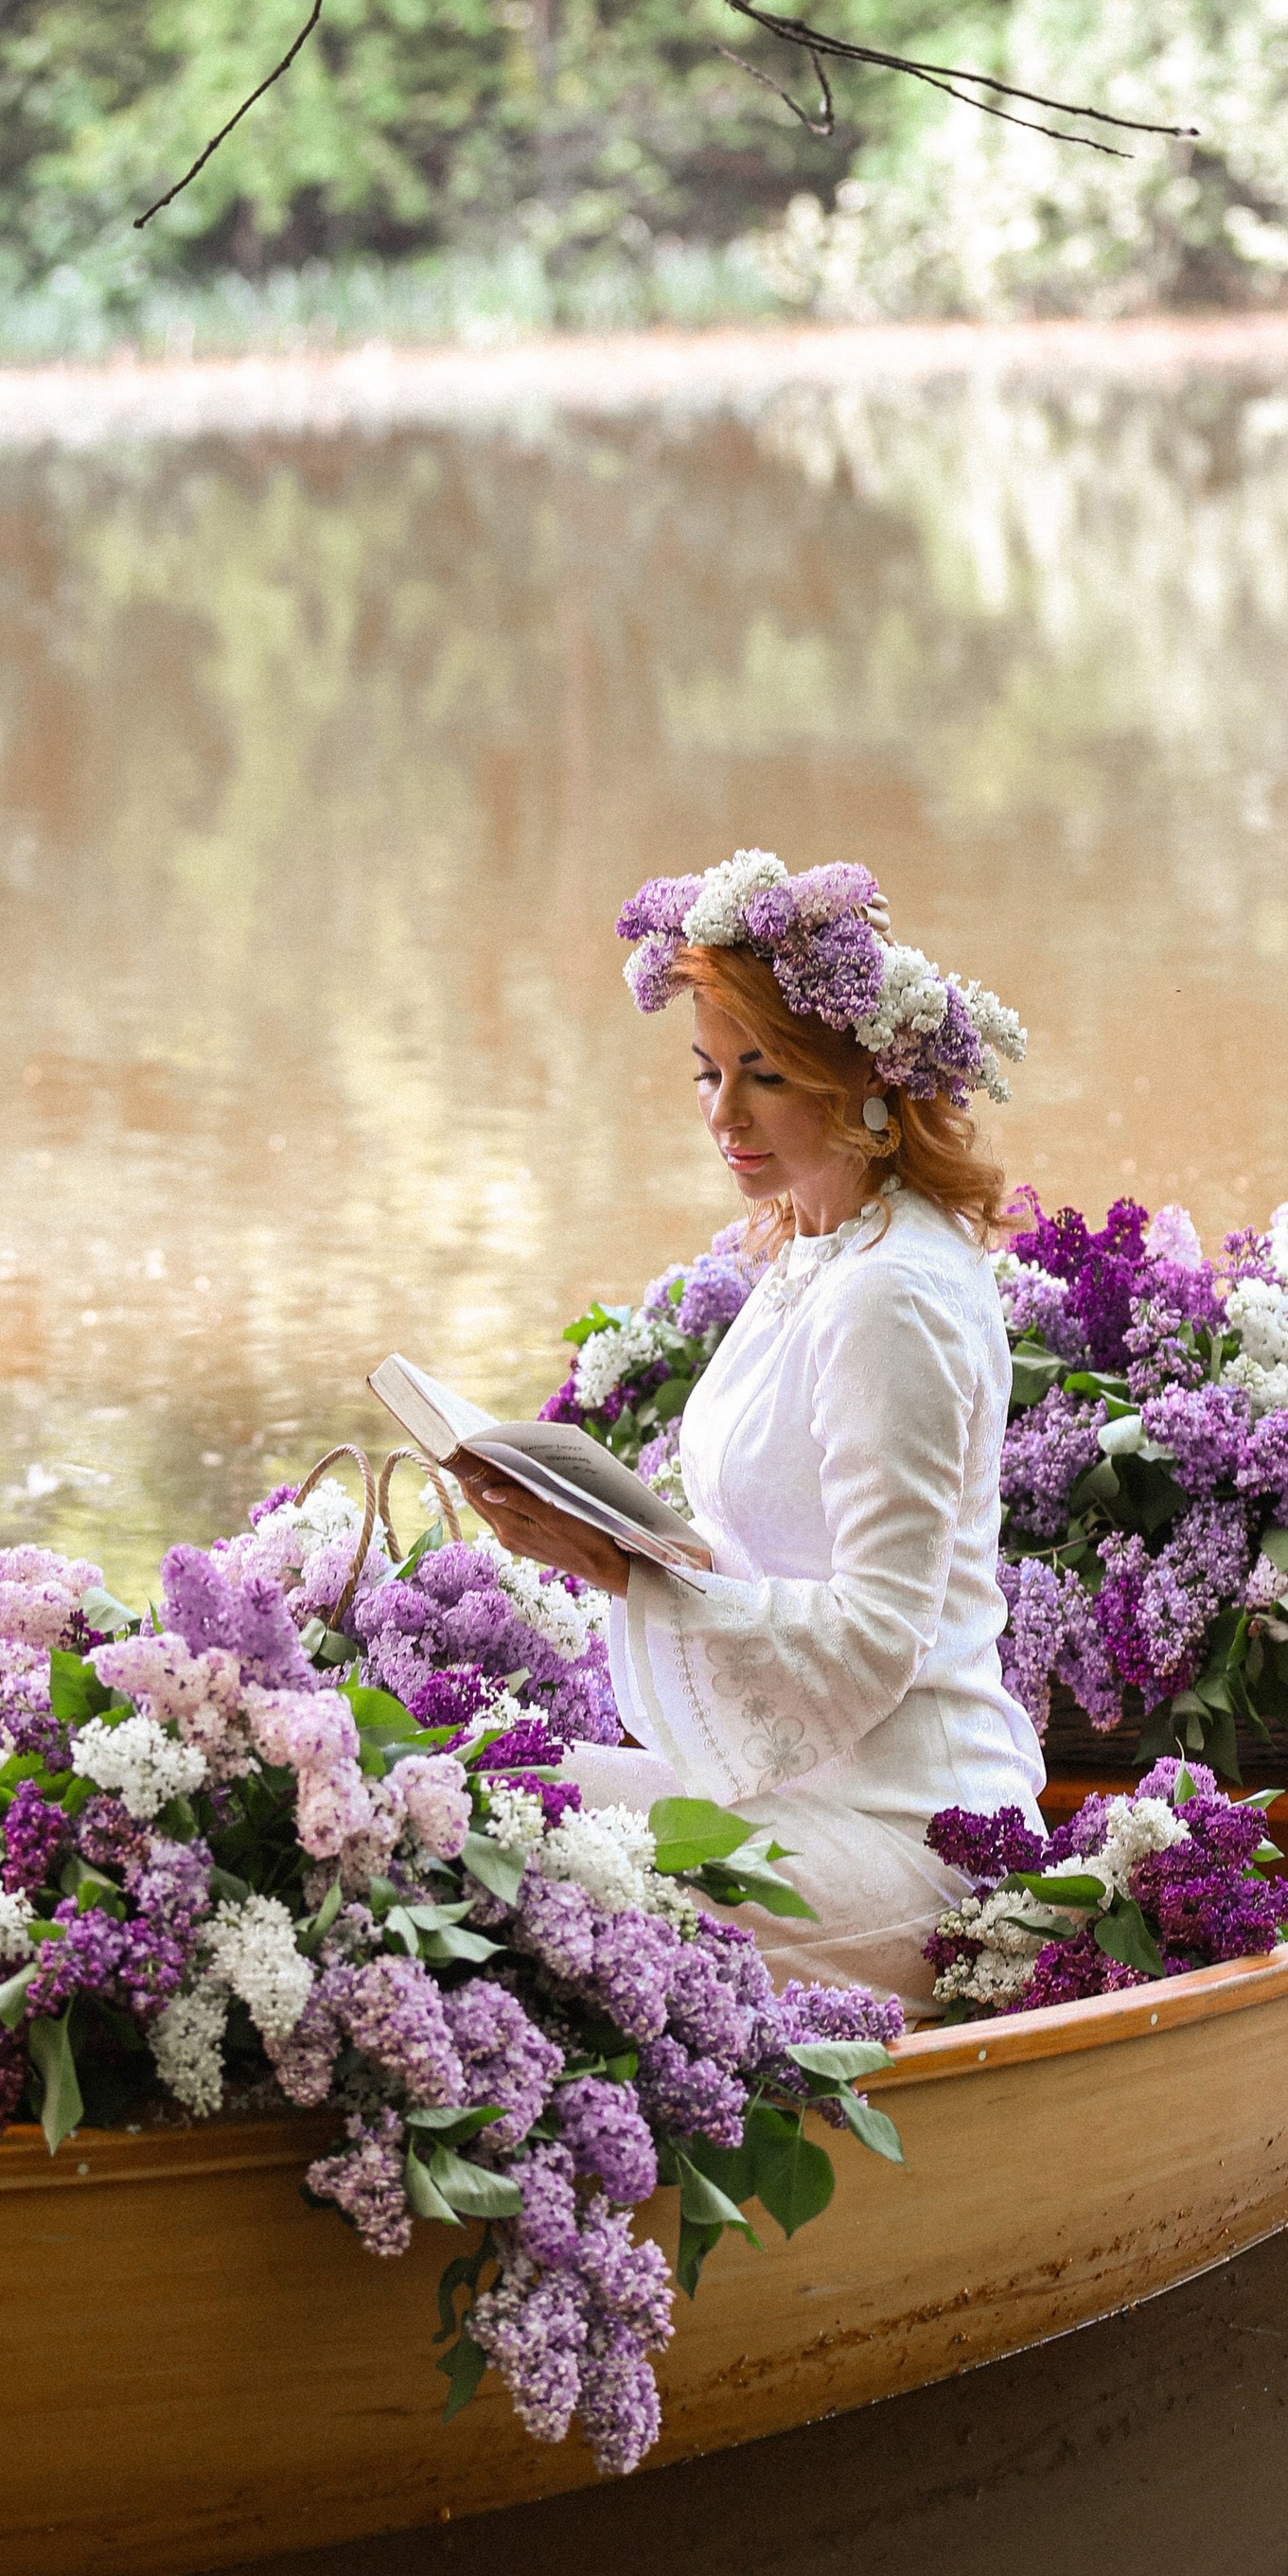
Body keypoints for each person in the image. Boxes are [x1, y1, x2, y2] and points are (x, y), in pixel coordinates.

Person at [454, 851, 1045, 2014]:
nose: (722, 1114)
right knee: (486, 1787)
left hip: (911, 1835)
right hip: (798, 1791)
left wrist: (628, 1570)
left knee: (511, 1853)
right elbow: (783, 1563)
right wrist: (605, 1545)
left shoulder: (894, 1294)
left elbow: (881, 1631)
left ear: (861, 1080)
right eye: (707, 1073)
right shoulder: (817, 1252)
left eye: (762, 1076)